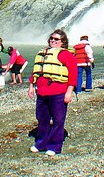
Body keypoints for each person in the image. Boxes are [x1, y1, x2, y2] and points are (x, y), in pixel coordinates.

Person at [28, 28, 77, 156]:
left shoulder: (66, 54)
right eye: (52, 38)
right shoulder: (43, 53)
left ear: (63, 42)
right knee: (42, 119)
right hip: (42, 92)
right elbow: (36, 71)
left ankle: (54, 146)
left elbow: (73, 74)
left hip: (58, 92)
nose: (53, 41)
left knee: (58, 120)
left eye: (56, 39)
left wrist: (69, 92)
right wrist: (31, 86)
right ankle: (40, 144)